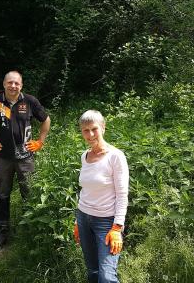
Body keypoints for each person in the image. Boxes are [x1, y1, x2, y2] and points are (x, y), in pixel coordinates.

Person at [0, 70, 51, 250]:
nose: (13, 86)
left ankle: (31, 230)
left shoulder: (30, 101)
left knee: (30, 194)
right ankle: (2, 232)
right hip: (4, 158)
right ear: (4, 84)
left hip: (26, 157)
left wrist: (40, 142)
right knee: (2, 196)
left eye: (16, 83)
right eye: (10, 82)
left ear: (21, 85)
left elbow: (46, 120)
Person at [74, 110, 129, 283]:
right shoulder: (84, 156)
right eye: (85, 130)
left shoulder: (116, 156)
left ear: (103, 128)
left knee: (106, 277)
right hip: (83, 219)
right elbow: (85, 190)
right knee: (93, 272)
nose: (90, 135)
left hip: (106, 223)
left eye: (94, 129)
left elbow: (122, 195)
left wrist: (117, 228)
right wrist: (77, 221)